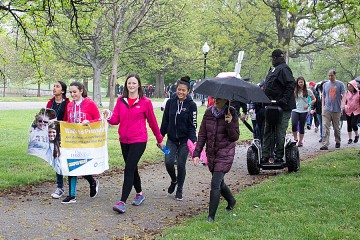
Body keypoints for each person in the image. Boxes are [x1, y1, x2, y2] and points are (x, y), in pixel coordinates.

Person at [104, 74, 164, 214]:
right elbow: (116, 120)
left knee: (129, 169)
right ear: (126, 85)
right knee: (132, 168)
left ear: (139, 85)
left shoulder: (145, 102)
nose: (131, 85)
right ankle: (140, 194)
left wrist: (159, 139)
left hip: (139, 140)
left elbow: (153, 122)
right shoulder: (121, 100)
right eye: (129, 83)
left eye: (134, 83)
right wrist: (108, 116)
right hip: (124, 140)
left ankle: (122, 202)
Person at [192, 98, 239, 222]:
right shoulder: (208, 112)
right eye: (215, 97)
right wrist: (196, 153)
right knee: (220, 183)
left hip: (225, 153)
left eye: (219, 98)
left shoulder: (231, 112)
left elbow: (234, 137)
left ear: (226, 100)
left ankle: (211, 217)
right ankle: (231, 201)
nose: (216, 99)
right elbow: (202, 134)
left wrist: (229, 123)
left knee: (215, 184)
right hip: (212, 153)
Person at [61, 82, 100, 204]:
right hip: (73, 140)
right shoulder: (69, 106)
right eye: (71, 92)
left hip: (86, 141)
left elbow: (98, 120)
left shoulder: (90, 104)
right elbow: (68, 120)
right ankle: (72, 195)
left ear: (81, 91)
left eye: (75, 92)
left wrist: (89, 121)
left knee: (81, 166)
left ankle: (92, 181)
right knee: (72, 166)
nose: (72, 94)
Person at [160, 76, 197, 201]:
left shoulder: (192, 105)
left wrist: (193, 140)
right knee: (169, 161)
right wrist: (160, 136)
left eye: (184, 90)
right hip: (171, 140)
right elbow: (165, 121)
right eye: (179, 90)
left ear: (188, 91)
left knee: (181, 164)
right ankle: (174, 180)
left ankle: (179, 189)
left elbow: (193, 125)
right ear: (176, 89)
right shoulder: (170, 103)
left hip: (184, 141)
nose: (181, 92)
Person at [261, 49, 296, 163]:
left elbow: (291, 84)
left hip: (283, 107)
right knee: (268, 130)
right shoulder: (274, 70)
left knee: (279, 131)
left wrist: (284, 99)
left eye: (272, 58)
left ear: (275, 58)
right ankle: (266, 154)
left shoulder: (284, 69)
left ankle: (278, 155)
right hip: (272, 106)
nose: (272, 60)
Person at [46, 81, 70, 199]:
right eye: (54, 86)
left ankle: (90, 179)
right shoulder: (50, 103)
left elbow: (69, 119)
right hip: (54, 135)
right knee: (57, 160)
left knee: (69, 160)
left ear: (63, 91)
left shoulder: (68, 103)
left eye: (57, 87)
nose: (54, 88)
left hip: (65, 135)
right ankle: (60, 187)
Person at [320, 70, 346, 150]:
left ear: (335, 75)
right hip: (327, 109)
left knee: (336, 128)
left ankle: (338, 141)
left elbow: (344, 95)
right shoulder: (325, 85)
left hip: (336, 109)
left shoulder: (340, 84)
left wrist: (343, 105)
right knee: (325, 126)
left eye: (331, 75)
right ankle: (325, 144)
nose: (330, 77)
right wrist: (323, 107)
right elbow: (323, 96)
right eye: (329, 75)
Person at [291, 76, 315, 147]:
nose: (300, 83)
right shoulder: (295, 90)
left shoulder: (308, 91)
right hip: (295, 110)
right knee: (294, 124)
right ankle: (295, 139)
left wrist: (308, 104)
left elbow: (314, 99)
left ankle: (300, 141)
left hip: (304, 111)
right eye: (299, 82)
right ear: (297, 83)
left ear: (304, 83)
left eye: (302, 82)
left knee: (301, 126)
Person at [344, 80, 360, 144]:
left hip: (356, 111)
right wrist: (345, 106)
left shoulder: (359, 93)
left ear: (354, 86)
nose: (349, 88)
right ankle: (350, 138)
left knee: (353, 123)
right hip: (348, 110)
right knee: (349, 124)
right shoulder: (346, 93)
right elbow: (344, 101)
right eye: (348, 86)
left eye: (350, 86)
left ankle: (357, 135)